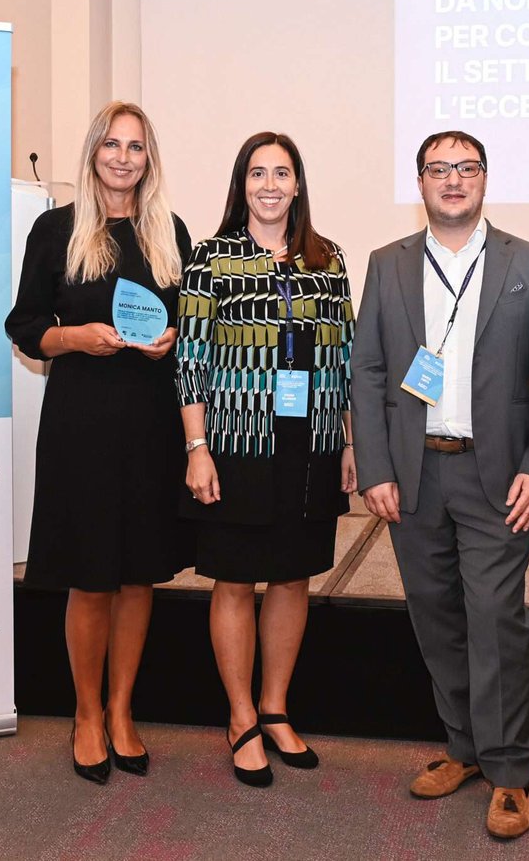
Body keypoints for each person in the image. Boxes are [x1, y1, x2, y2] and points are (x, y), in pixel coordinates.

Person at [351, 130, 529, 840]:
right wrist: (375, 467)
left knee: (496, 619)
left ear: (485, 179)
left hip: (497, 473)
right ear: (420, 183)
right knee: (435, 617)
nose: (453, 179)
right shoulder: (388, 263)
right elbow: (368, 371)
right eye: (438, 169)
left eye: (466, 167)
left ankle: (509, 769)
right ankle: (464, 747)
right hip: (413, 474)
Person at [5, 101, 192, 784]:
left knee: (138, 574)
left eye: (135, 147)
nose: (122, 157)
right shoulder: (56, 229)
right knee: (90, 577)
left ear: (149, 159)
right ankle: (86, 715)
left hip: (150, 424)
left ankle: (121, 711)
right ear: (93, 152)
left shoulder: (169, 231)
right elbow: (26, 327)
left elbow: (187, 326)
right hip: (81, 424)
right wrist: (76, 338)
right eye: (111, 144)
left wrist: (171, 340)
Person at [176, 132, 356, 788]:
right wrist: (196, 448)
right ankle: (241, 716)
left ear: (298, 183)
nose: (270, 185)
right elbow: (190, 360)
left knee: (292, 576)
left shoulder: (328, 259)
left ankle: (275, 707)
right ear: (242, 184)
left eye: (282, 173)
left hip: (311, 447)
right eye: (258, 173)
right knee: (234, 580)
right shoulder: (210, 258)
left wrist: (351, 443)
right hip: (236, 443)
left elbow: (346, 355)